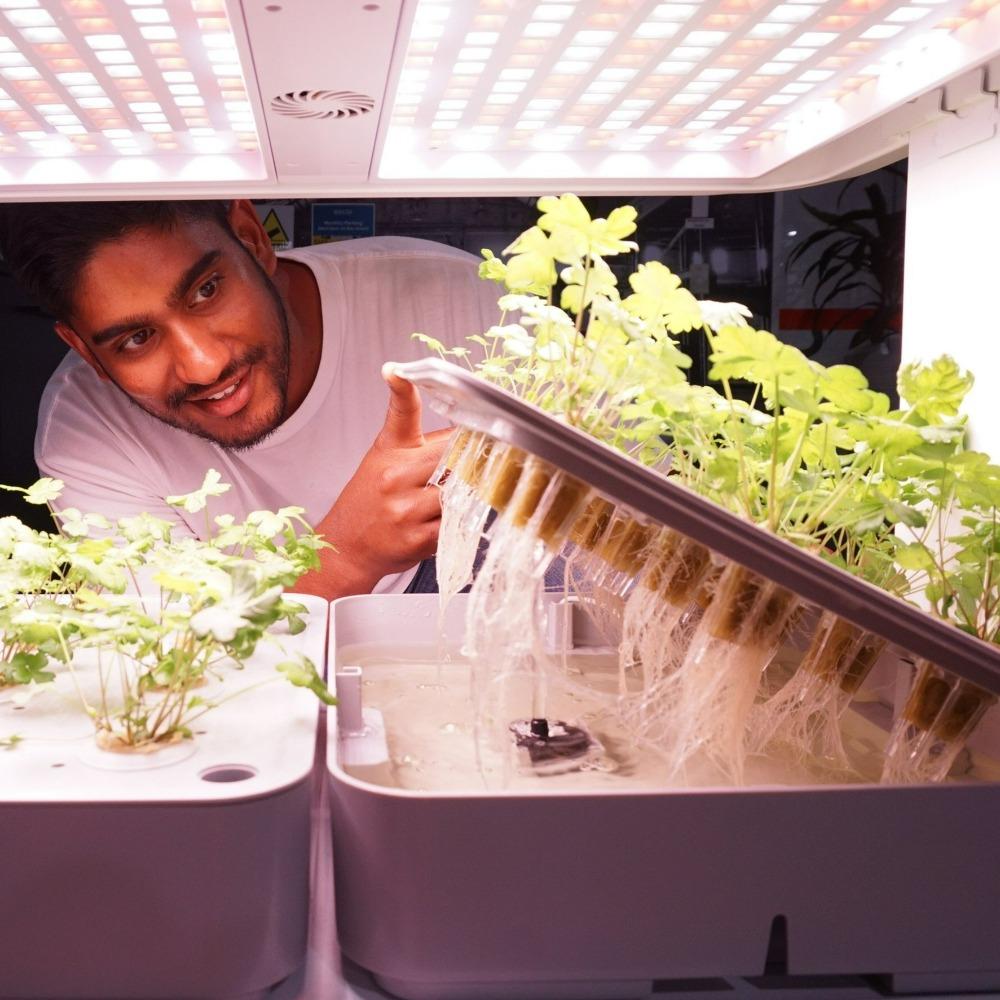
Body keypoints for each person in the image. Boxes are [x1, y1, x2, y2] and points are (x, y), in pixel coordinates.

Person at [0, 199, 501, 598]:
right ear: (85, 350)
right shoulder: (85, 433)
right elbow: (178, 665)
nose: (204, 365)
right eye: (135, 340)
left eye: (206, 290)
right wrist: (345, 557)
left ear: (252, 237)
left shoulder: (463, 297)